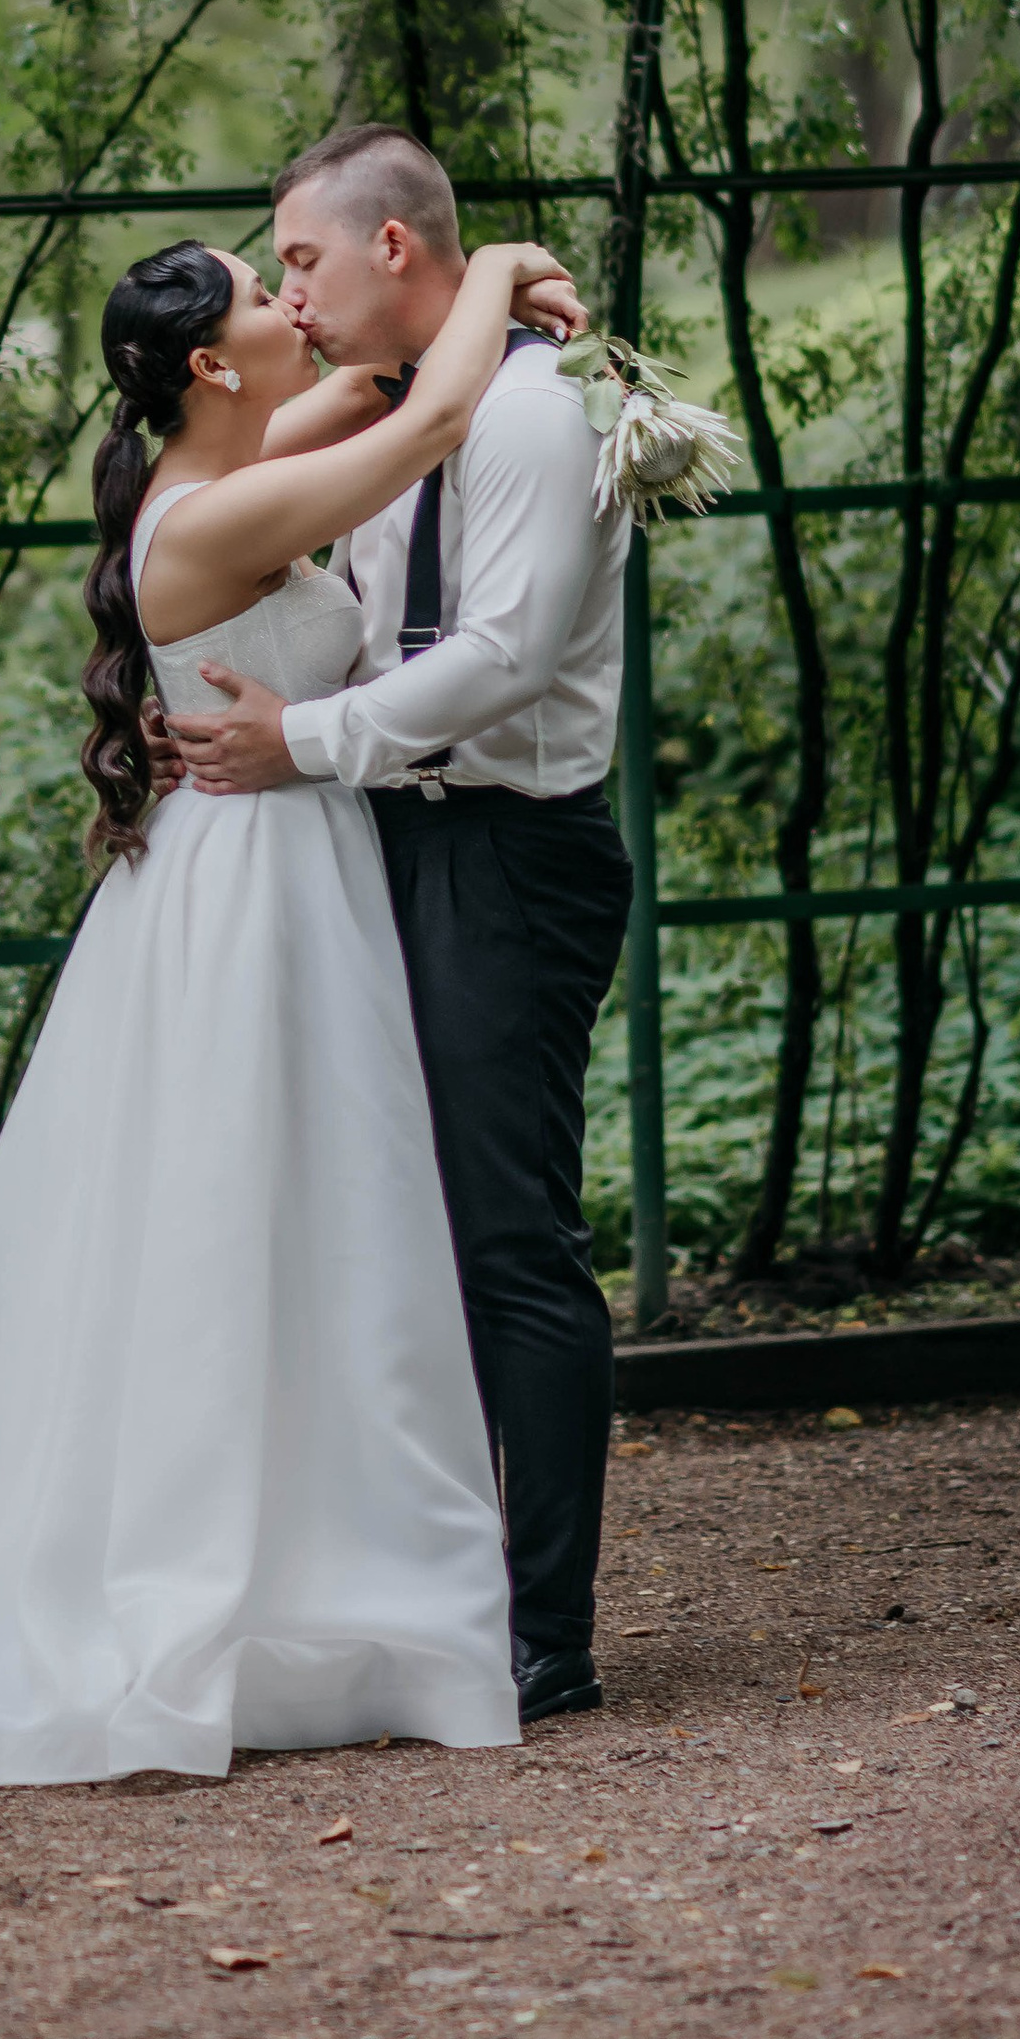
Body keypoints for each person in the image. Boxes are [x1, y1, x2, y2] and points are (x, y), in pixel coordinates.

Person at [0, 223, 580, 1789]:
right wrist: (497, 263)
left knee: (313, 1220)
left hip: (282, 857)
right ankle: (250, 1588)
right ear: (212, 362)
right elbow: (426, 420)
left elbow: (382, 384)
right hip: (260, 882)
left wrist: (475, 318)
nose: (292, 297)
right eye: (263, 290)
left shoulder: (234, 456)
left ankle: (327, 1587)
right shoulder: (217, 510)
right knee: (263, 1212)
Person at [167, 126, 633, 1731]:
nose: (287, 291)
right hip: (380, 841)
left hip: (508, 852)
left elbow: (502, 655)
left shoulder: (533, 410)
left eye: (299, 257)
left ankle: (545, 1635)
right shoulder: (393, 408)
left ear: (391, 245)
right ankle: (417, 1598)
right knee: (385, 1231)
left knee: (507, 1238)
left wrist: (296, 742)